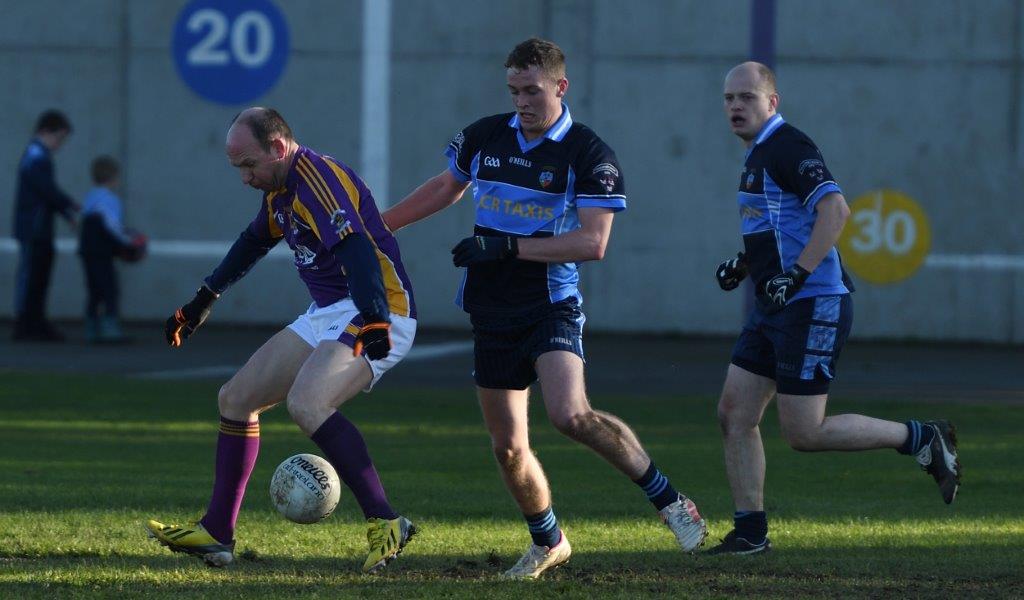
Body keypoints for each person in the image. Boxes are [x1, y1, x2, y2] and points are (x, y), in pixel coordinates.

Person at [382, 38, 707, 579]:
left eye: (532, 90)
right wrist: (381, 224)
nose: (522, 102)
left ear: (561, 86)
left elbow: (593, 242)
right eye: (513, 90)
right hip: (490, 310)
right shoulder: (485, 136)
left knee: (569, 415)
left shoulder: (589, 154)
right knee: (508, 448)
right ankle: (548, 541)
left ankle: (668, 498)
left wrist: (508, 247)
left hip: (550, 304)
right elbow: (445, 187)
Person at [145, 107, 418, 573]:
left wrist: (374, 317)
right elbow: (251, 243)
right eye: (238, 169)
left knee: (308, 403)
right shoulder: (280, 191)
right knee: (235, 398)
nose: (245, 178)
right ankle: (217, 533)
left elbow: (355, 249)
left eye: (249, 165)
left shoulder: (318, 181)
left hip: (379, 308)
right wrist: (201, 301)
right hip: (329, 313)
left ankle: (387, 521)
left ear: (278, 147)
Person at [708, 62, 961, 555]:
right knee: (734, 413)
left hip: (812, 304)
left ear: (772, 103)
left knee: (803, 432)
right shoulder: (758, 154)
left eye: (747, 97)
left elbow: (836, 211)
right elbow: (786, 226)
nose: (736, 106)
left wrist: (797, 274)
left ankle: (921, 437)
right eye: (729, 98)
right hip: (773, 305)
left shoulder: (788, 146)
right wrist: (746, 264)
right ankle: (750, 534)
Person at [12, 110, 78, 341]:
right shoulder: (35, 156)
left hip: (39, 227)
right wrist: (69, 207)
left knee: (39, 275)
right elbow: (46, 190)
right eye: (58, 138)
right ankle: (26, 323)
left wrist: (66, 209)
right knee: (32, 275)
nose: (59, 144)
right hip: (33, 228)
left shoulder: (39, 156)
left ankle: (36, 320)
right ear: (44, 132)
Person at [78, 156, 141, 343]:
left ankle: (91, 328)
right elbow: (112, 226)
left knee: (94, 290)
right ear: (113, 178)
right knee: (110, 289)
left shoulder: (90, 197)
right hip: (102, 253)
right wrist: (130, 241)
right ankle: (109, 328)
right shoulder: (110, 200)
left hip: (87, 251)